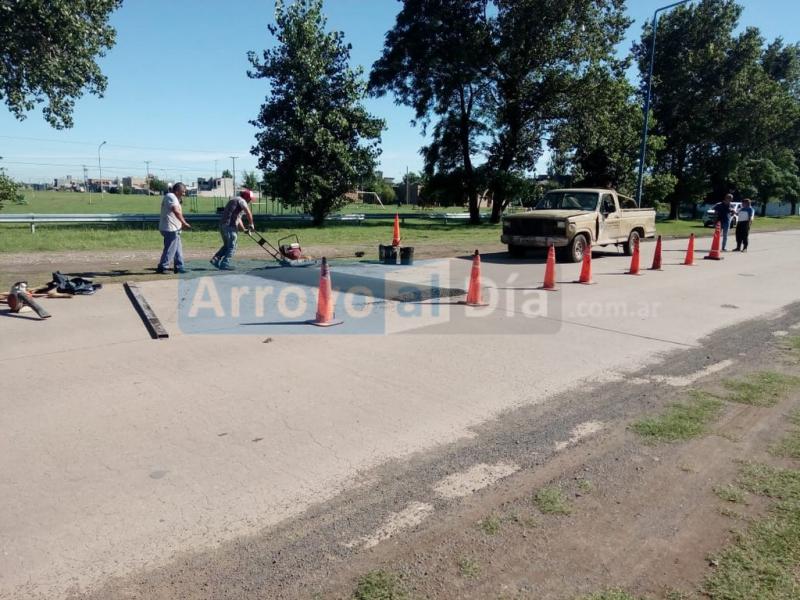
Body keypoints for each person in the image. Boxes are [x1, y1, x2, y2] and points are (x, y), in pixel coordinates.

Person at [210, 189, 255, 270]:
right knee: (232, 246)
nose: (250, 201)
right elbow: (248, 213)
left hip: (222, 225)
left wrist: (244, 229)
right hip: (230, 226)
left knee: (227, 245)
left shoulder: (234, 200)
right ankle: (225, 264)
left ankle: (215, 259)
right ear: (246, 197)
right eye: (250, 199)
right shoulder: (242, 201)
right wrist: (251, 224)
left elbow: (238, 218)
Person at [156, 182, 191, 274]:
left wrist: (180, 224)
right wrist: (184, 222)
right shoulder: (171, 196)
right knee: (170, 249)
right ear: (177, 191)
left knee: (178, 248)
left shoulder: (174, 198)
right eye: (183, 192)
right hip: (170, 228)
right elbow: (176, 211)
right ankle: (163, 266)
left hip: (174, 227)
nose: (184, 194)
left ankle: (179, 267)